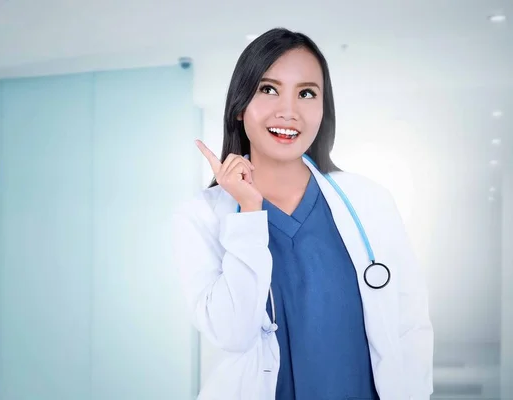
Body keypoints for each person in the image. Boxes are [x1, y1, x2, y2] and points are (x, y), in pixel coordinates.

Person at [172, 27, 433, 400]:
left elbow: (410, 325)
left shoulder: (369, 201)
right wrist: (248, 213)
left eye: (306, 93)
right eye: (268, 89)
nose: (288, 111)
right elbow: (232, 332)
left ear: (323, 108)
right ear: (240, 104)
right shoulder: (200, 216)